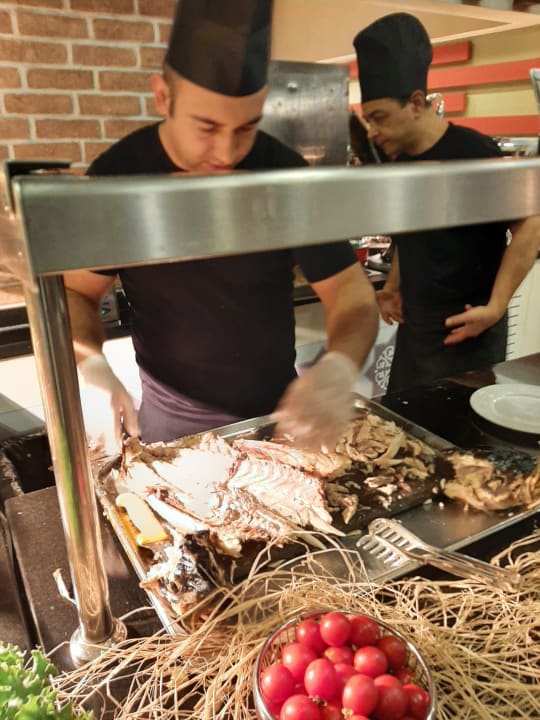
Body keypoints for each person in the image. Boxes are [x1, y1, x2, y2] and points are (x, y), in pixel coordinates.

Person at [64, 0, 379, 452]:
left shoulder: (285, 175)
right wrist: (90, 364)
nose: (228, 153)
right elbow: (77, 293)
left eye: (247, 127)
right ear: (163, 97)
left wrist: (339, 366)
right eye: (207, 127)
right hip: (170, 429)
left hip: (280, 420)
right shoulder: (119, 177)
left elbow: (352, 295)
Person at [353, 12, 540, 394]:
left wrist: (496, 306)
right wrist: (393, 286)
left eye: (380, 118)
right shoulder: (401, 161)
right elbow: (414, 232)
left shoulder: (473, 152)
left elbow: (530, 225)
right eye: (368, 120)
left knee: (457, 426)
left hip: (468, 327)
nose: (373, 132)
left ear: (415, 102)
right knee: (403, 418)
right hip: (415, 328)